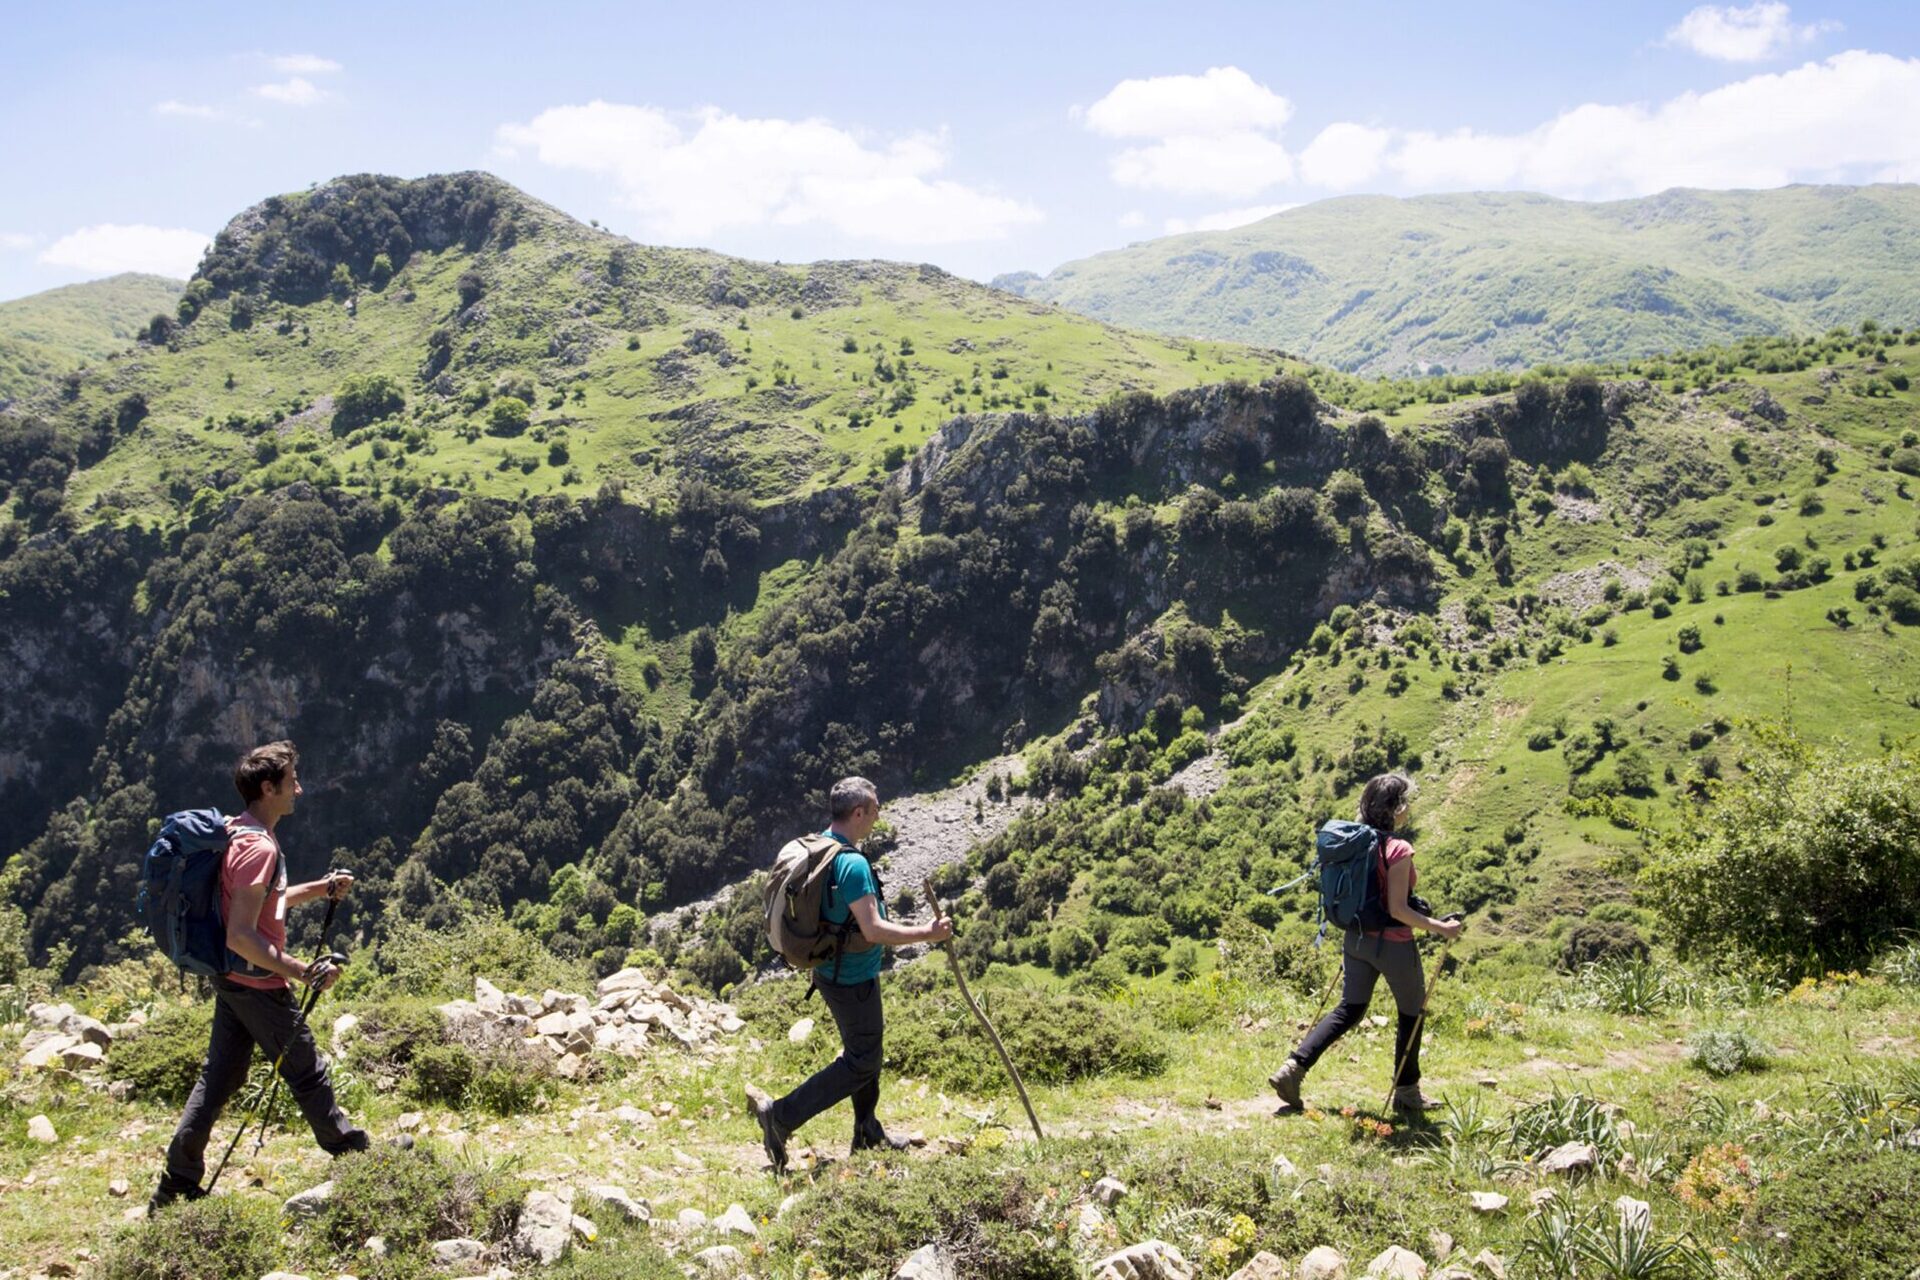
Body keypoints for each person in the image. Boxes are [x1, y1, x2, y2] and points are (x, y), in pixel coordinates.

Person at [151, 741, 367, 1212]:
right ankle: (355, 1156)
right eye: (292, 782)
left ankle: (176, 1185)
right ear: (268, 788)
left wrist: (320, 889)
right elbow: (241, 934)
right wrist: (301, 971)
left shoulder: (239, 832)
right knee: (307, 1072)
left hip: (232, 981)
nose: (299, 789)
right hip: (256, 983)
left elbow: (262, 903)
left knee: (220, 1079)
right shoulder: (258, 849)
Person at [746, 776, 952, 1172]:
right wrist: (928, 933)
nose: (877, 816)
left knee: (866, 1051)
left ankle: (867, 1129)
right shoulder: (852, 863)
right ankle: (782, 1116)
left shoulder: (823, 846)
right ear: (858, 812)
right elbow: (873, 930)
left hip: (832, 970)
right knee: (861, 1060)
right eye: (874, 809)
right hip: (852, 978)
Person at [1268, 772, 1461, 1113]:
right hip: (1393, 945)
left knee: (1350, 1008)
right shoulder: (1398, 849)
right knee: (1412, 1014)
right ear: (1397, 808)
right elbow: (1398, 909)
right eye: (1406, 803)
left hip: (1355, 939)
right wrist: (1439, 928)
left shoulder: (1357, 843)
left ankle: (1293, 1067)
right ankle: (1407, 1093)